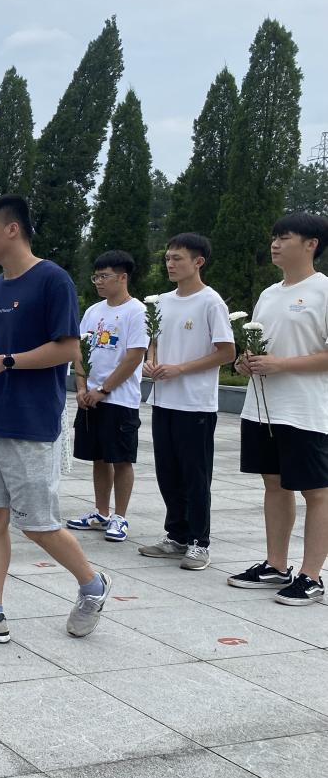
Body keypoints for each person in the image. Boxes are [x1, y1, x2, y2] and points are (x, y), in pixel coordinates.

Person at [0, 195, 112, 643]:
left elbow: (69, 348)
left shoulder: (52, 280)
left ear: (12, 229)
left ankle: (92, 585)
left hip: (29, 422)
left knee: (37, 522)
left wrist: (6, 363)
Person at [228, 212, 328, 606]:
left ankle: (312, 575)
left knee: (316, 492)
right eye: (273, 236)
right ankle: (276, 564)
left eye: (284, 237)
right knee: (274, 484)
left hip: (304, 409)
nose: (274, 243)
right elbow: (261, 349)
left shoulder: (323, 290)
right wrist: (244, 363)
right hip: (262, 408)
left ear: (310, 244)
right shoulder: (269, 294)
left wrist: (281, 365)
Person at [137, 234, 236, 570]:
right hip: (163, 401)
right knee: (168, 472)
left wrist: (181, 369)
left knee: (195, 476)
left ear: (198, 262)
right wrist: (152, 361)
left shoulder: (211, 302)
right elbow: (154, 341)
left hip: (195, 404)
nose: (170, 263)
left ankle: (199, 542)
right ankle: (176, 536)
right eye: (167, 258)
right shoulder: (162, 301)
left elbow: (227, 352)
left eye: (178, 258)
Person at [66, 250, 149, 543]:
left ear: (123, 277)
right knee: (98, 458)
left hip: (118, 400)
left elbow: (134, 357)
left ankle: (120, 516)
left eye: (105, 276)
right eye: (96, 276)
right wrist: (80, 387)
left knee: (121, 459)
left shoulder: (136, 312)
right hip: (89, 397)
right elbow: (79, 352)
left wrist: (103, 390)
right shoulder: (93, 311)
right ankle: (101, 512)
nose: (99, 281)